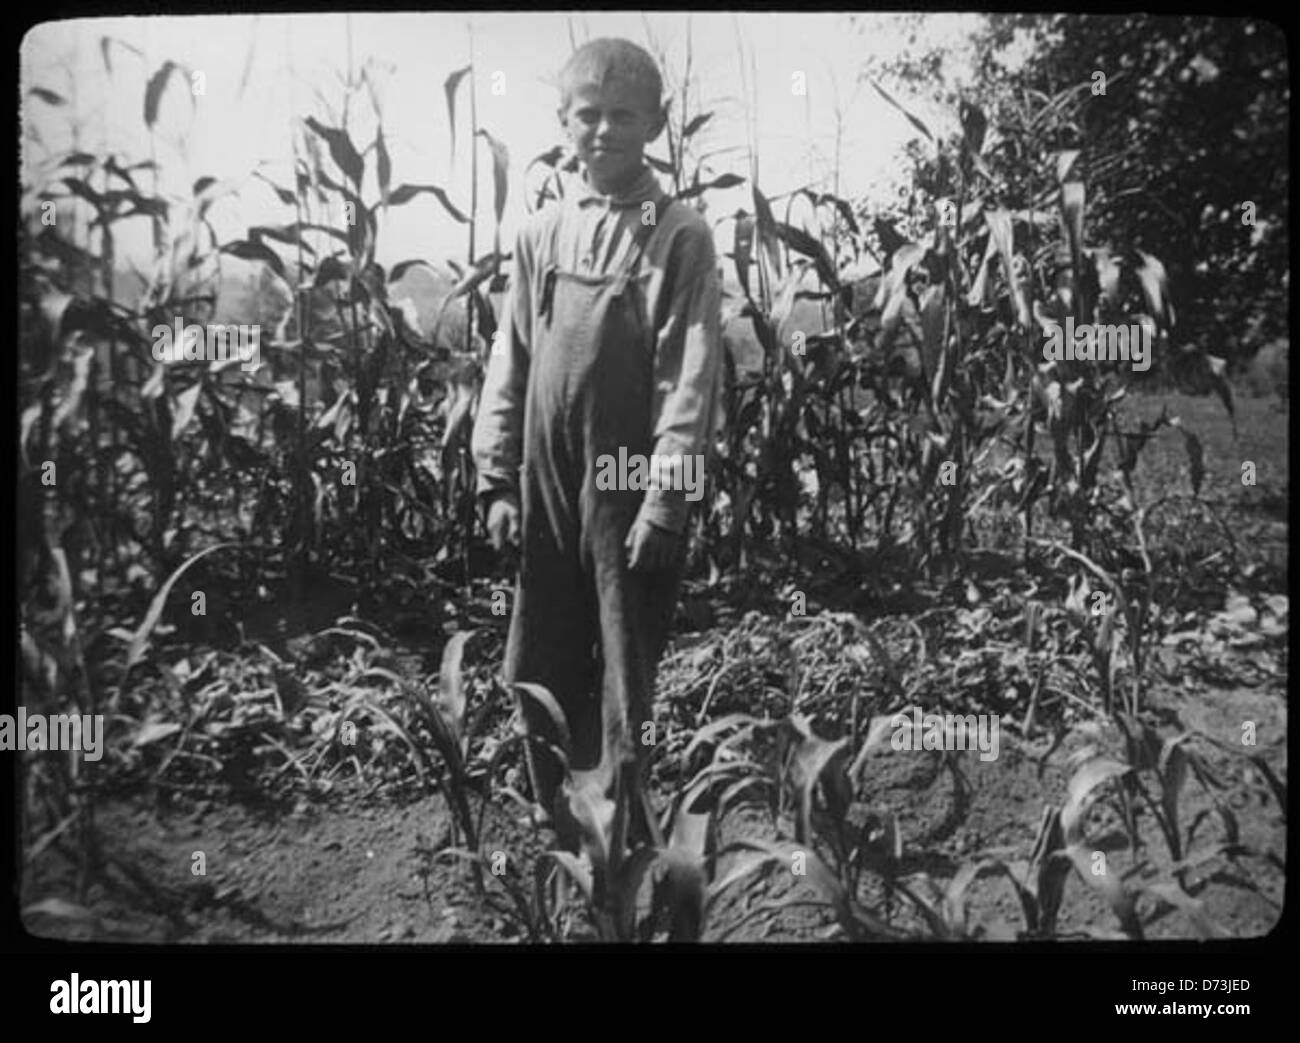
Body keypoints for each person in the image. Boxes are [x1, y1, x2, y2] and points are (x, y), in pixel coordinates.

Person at [470, 37, 722, 836]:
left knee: (622, 665)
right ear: (563, 122)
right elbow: (508, 357)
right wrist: (496, 477)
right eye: (589, 116)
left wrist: (666, 501)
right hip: (548, 478)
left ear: (658, 122)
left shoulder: (679, 233)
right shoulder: (541, 232)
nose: (605, 131)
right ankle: (553, 824)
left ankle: (620, 839)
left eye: (624, 116)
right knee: (537, 653)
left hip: (628, 484)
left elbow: (691, 377)